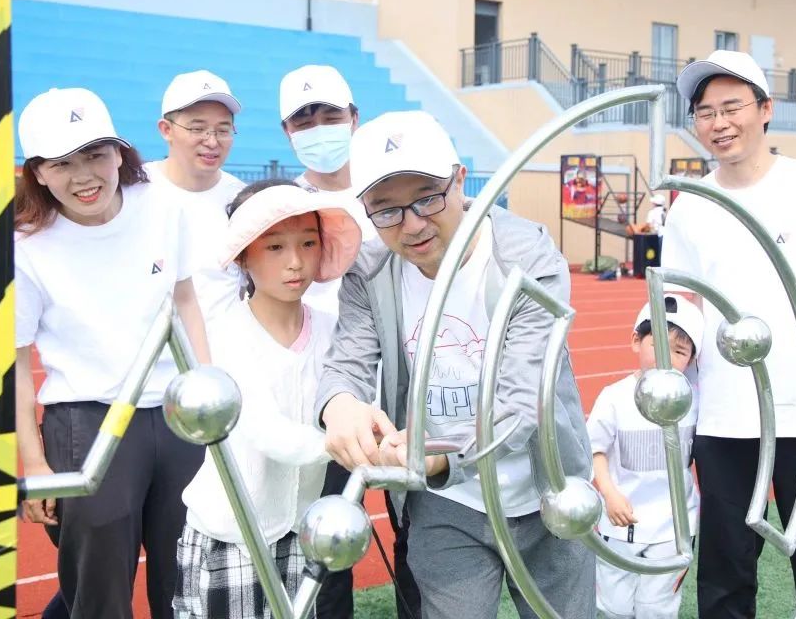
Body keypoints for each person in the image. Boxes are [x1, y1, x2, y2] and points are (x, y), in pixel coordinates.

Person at [314, 110, 595, 619]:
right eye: (386, 210)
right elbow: (346, 363)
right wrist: (340, 406)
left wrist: (444, 457)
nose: (412, 224)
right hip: (446, 502)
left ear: (461, 181)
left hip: (546, 486)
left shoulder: (526, 256)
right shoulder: (370, 271)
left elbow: (523, 397)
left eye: (427, 198)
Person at [662, 50, 796, 619]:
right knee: (725, 574)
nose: (719, 123)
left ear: (765, 109)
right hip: (724, 419)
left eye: (732, 107)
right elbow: (683, 303)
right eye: (705, 112)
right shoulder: (690, 206)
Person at [14, 88, 211, 619]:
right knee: (99, 589)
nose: (84, 177)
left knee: (189, 575)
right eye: (62, 163)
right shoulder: (25, 245)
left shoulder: (162, 206)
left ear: (120, 153)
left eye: (95, 155)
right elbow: (16, 365)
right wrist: (34, 464)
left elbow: (185, 299)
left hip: (176, 413)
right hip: (88, 421)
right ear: (38, 173)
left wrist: (207, 389)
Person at [173, 180, 362, 618]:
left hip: (301, 532)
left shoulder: (333, 332)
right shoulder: (226, 334)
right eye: (275, 247)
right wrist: (353, 445)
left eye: (308, 243)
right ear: (244, 257)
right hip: (233, 533)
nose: (295, 262)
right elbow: (266, 431)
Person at [279, 64, 419, 619]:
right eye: (304, 120)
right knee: (328, 544)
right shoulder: (284, 206)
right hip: (328, 404)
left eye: (330, 115)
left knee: (419, 535)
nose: (319, 128)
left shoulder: (388, 189)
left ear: (354, 118)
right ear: (287, 131)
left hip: (405, 392)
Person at [587, 295, 705, 619]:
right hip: (619, 525)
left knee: (658, 610)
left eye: (679, 352)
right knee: (614, 608)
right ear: (636, 341)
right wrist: (609, 493)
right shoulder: (615, 397)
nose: (666, 358)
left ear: (692, 359)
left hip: (673, 530)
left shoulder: (694, 400)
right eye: (658, 345)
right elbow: (595, 449)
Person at [146, 70, 246, 319]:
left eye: (223, 130)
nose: (211, 142)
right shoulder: (135, 191)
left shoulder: (242, 201)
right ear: (166, 130)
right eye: (197, 128)